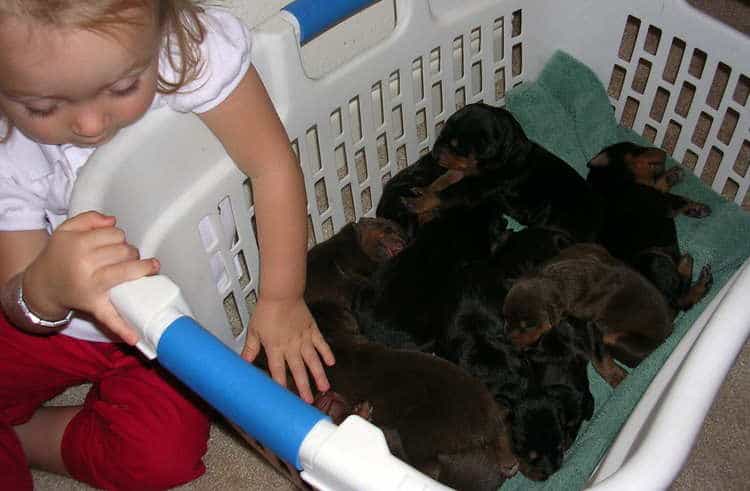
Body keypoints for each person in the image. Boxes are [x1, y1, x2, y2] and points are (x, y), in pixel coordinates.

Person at [0, 1, 335, 489]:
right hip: (67, 328)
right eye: (42, 107)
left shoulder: (189, 50)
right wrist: (49, 287)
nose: (91, 125)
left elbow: (271, 164)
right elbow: (19, 299)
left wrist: (282, 296)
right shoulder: (10, 147)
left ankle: (27, 436)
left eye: (122, 87)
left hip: (180, 321)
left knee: (161, 457)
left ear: (162, 27)